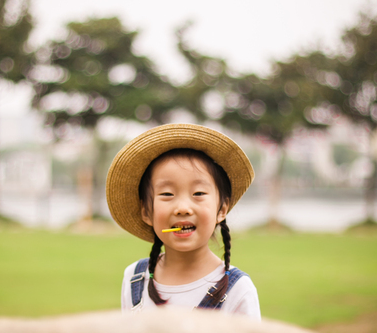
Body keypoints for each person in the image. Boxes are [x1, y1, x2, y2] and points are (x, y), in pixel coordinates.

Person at [106, 123, 261, 317]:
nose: (182, 208)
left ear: (221, 210)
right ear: (146, 212)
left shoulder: (238, 291)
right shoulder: (134, 278)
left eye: (198, 193)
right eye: (167, 194)